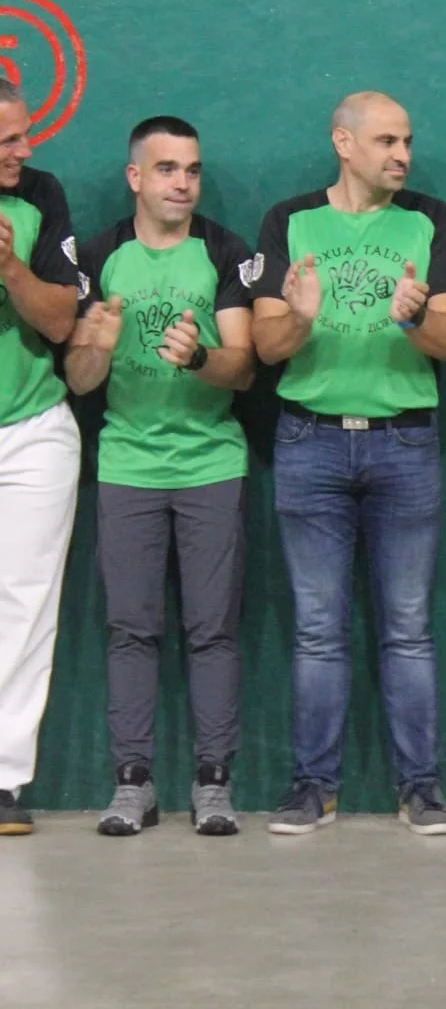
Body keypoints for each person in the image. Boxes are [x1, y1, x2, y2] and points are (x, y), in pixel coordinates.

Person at [251, 91, 446, 836]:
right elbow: (266, 347)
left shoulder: (431, 220)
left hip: (403, 444)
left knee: (408, 627)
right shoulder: (289, 221)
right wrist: (302, 315)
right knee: (318, 629)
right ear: (343, 143)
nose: (402, 155)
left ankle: (422, 788)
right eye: (385, 141)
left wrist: (412, 317)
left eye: (406, 141)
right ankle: (313, 788)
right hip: (308, 442)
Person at [66, 116, 255, 837]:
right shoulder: (99, 256)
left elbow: (243, 368)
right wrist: (98, 346)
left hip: (211, 465)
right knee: (130, 630)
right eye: (168, 169)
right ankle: (133, 784)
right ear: (136, 177)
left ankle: (213, 783)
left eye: (193, 170)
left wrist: (200, 358)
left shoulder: (224, 251)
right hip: (127, 466)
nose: (183, 183)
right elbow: (80, 380)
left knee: (212, 631)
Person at [0, 79, 81, 837]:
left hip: (31, 429)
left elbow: (60, 321)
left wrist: (10, 268)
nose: (23, 151)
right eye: (8, 141)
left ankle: (2, 779)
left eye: (23, 135)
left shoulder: (40, 196)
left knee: (24, 607)